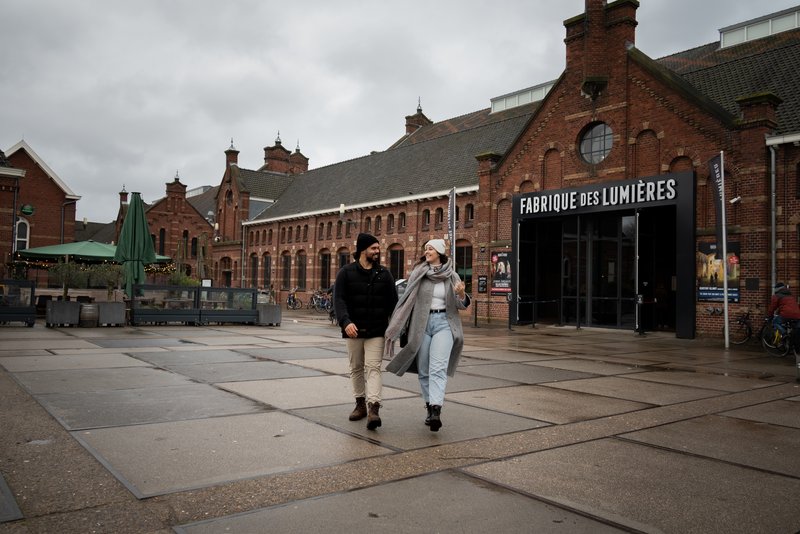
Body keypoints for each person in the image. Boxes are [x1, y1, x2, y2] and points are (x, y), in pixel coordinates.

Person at [384, 239, 470, 432]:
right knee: (423, 369)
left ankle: (437, 410)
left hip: (444, 324)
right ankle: (430, 406)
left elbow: (460, 304)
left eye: (430, 248)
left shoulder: (451, 275)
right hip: (421, 325)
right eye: (426, 249)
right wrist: (398, 323)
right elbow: (407, 300)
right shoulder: (419, 273)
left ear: (439, 251)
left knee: (437, 368)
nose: (427, 251)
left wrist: (462, 295)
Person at [334, 233, 397, 430]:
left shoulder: (384, 274)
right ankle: (360, 404)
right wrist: (345, 322)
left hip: (377, 330)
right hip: (352, 329)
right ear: (363, 250)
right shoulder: (345, 272)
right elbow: (339, 300)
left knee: (373, 367)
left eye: (378, 248)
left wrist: (394, 328)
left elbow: (393, 305)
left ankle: (374, 409)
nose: (378, 252)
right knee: (356, 368)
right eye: (374, 248)